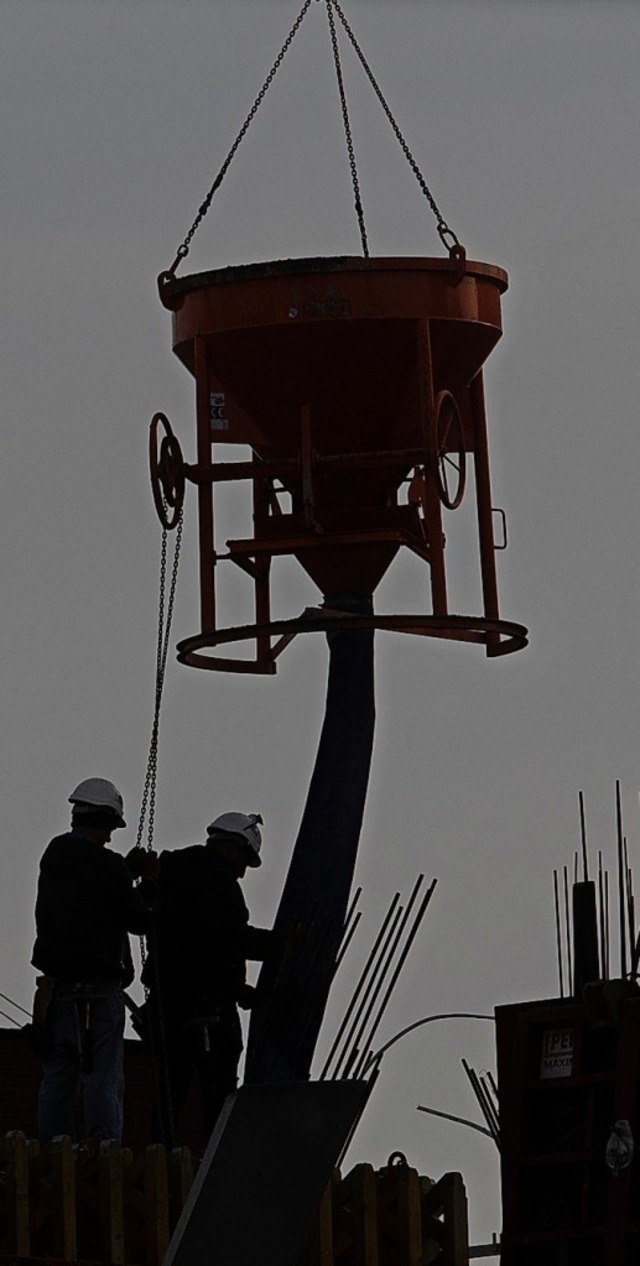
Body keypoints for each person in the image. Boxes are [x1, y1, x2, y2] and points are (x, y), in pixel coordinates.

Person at [31, 778, 158, 1144]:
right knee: (102, 1080)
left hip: (56, 993)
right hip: (100, 994)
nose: (109, 838)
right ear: (106, 821)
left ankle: (52, 1154)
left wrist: (125, 872)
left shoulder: (54, 855)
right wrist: (148, 885)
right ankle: (102, 1154)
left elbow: (89, 885)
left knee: (57, 1078)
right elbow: (139, 920)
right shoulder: (109, 866)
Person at [145, 812, 277, 1143]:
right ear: (233, 849)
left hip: (168, 1003)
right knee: (219, 1089)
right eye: (244, 861)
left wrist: (238, 989)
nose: (243, 872)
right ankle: (216, 1158)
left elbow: (199, 943)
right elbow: (229, 939)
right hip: (207, 1007)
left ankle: (160, 1154)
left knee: (170, 1087)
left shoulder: (172, 873)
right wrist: (284, 944)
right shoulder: (216, 881)